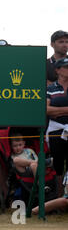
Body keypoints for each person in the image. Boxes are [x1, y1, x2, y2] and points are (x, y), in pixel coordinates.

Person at [46, 57, 68, 196]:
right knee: (58, 165)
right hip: (55, 130)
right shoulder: (50, 88)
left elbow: (52, 110)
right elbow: (46, 110)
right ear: (58, 70)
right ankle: (59, 199)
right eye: (66, 67)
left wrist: (57, 110)